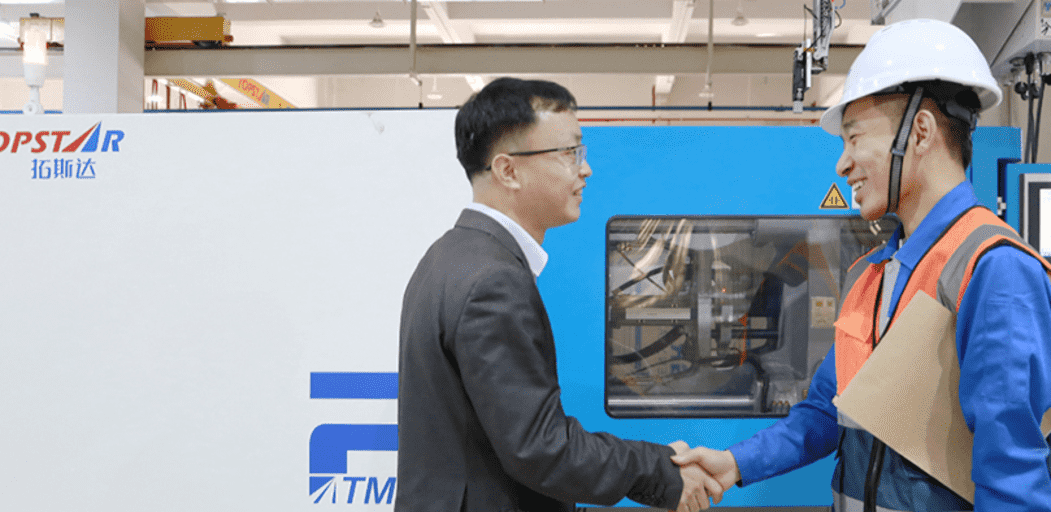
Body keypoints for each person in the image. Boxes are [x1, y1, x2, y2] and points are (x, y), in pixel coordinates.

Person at [671, 18, 1051, 512]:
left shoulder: (993, 270)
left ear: (920, 132)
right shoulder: (872, 274)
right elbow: (826, 412)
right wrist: (735, 463)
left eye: (854, 138)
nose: (842, 163)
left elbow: (1011, 479)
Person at [395, 77, 720, 512]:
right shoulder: (493, 282)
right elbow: (540, 448)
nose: (586, 170)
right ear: (508, 171)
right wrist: (657, 470)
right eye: (570, 153)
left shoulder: (449, 257)